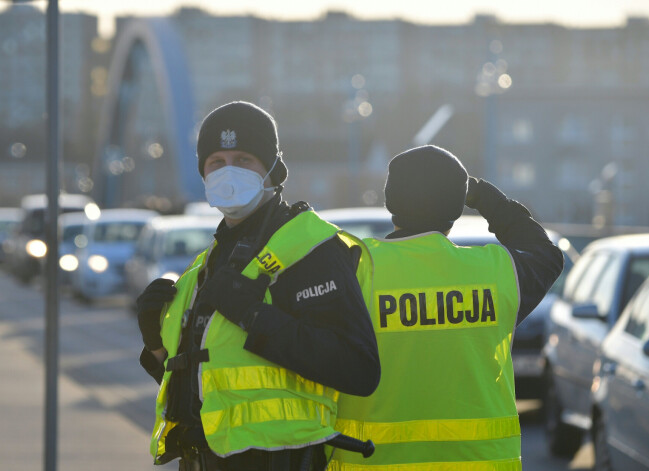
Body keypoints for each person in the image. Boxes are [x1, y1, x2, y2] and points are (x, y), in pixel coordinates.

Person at [136, 101, 380, 471]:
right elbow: (212, 386)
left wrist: (253, 315)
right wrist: (155, 347)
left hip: (280, 461)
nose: (228, 172)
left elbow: (357, 367)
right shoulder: (207, 265)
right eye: (216, 162)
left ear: (272, 169)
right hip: (202, 460)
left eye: (244, 159)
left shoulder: (308, 250)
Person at [327, 145, 564, 470]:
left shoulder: (354, 268)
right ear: (455, 206)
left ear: (391, 202)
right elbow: (545, 253)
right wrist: (481, 195)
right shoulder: (494, 272)